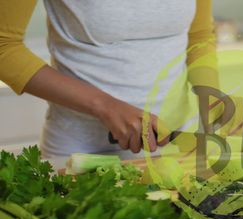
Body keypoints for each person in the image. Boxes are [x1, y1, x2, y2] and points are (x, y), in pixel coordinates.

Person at [0, 0, 225, 158]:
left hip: (173, 147)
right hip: (82, 153)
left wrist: (210, 95)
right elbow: (4, 48)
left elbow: (199, 36)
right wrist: (105, 106)